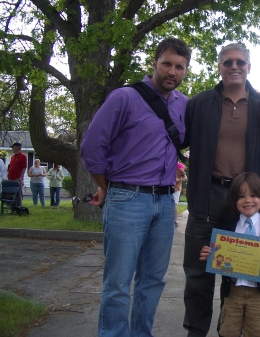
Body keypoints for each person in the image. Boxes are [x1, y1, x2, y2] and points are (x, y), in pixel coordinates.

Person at [80, 37, 191, 337]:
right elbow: (91, 147)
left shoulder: (184, 105)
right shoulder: (124, 97)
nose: (172, 71)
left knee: (153, 281)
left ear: (185, 71)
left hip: (166, 203)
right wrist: (107, 186)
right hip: (127, 198)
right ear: (153, 63)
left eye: (179, 67)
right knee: (118, 282)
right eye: (166, 63)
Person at [182, 43, 260, 337]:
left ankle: (226, 330)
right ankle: (196, 329)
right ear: (219, 67)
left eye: (240, 62)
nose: (234, 67)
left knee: (233, 270)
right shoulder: (199, 104)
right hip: (206, 196)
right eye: (228, 62)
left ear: (248, 68)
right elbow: (176, 139)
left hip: (241, 201)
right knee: (198, 269)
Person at [199, 172, 260, 337]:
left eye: (253, 195)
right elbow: (218, 253)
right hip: (233, 292)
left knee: (257, 332)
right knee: (228, 331)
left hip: (259, 294)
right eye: (241, 196)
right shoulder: (226, 228)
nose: (248, 200)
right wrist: (209, 254)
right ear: (234, 201)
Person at [7, 142, 27, 206]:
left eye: (13, 147)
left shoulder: (23, 156)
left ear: (17, 148)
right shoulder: (12, 157)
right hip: (10, 178)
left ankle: (19, 207)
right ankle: (12, 207)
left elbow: (24, 168)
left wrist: (20, 178)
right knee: (10, 194)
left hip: (17, 178)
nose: (12, 149)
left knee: (18, 194)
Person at [174, 162, 188, 227]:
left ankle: (175, 221)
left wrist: (179, 180)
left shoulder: (179, 167)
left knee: (174, 205)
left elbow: (185, 178)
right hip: (168, 188)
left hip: (176, 189)